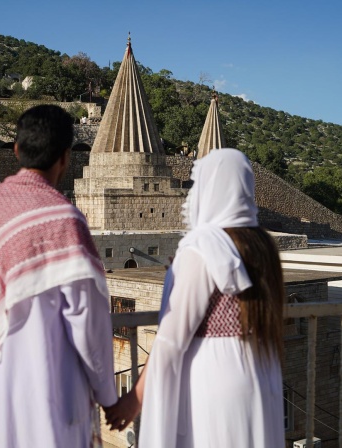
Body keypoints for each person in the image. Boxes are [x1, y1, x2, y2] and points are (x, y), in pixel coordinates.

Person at [0, 105, 117, 448]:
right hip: (49, 389)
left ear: (17, 150)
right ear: (66, 157)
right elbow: (87, 319)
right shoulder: (65, 219)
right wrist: (107, 394)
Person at [105, 149, 285, 447]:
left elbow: (171, 339)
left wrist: (135, 399)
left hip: (214, 379)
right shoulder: (263, 245)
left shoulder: (203, 246)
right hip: (260, 373)